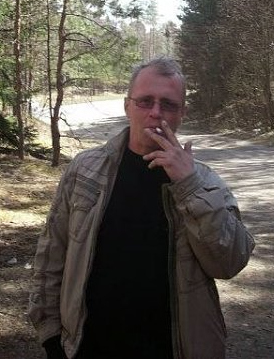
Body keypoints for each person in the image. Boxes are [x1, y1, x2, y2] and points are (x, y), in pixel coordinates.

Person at [28, 57, 255, 359]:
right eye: (145, 101)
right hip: (89, 345)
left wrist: (189, 185)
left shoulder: (204, 182)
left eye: (168, 104)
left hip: (170, 349)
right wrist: (51, 336)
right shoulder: (85, 170)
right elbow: (51, 254)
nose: (156, 112)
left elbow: (229, 263)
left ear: (182, 113)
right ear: (127, 106)